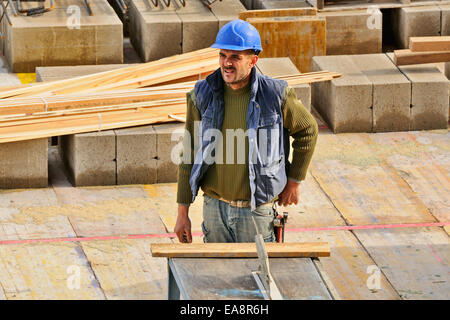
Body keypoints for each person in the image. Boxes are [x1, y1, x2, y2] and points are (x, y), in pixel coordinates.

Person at [174, 19, 318, 243]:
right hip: (214, 210)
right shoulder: (203, 95)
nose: (226, 63)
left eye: (235, 57)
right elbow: (189, 154)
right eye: (222, 55)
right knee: (219, 277)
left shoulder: (274, 95)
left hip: (256, 213)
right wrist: (182, 214)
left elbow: (308, 130)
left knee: (257, 276)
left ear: (253, 61)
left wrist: (294, 180)